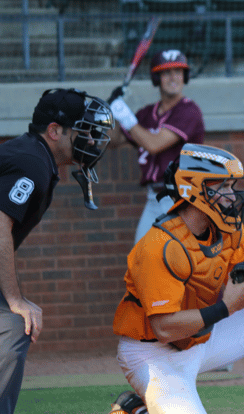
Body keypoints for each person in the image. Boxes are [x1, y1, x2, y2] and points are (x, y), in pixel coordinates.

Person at [109, 144, 244, 414]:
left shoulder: (228, 229)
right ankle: (134, 410)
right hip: (152, 353)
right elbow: (164, 328)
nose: (230, 195)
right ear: (194, 188)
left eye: (231, 186)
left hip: (200, 338)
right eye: (222, 187)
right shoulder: (159, 245)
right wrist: (225, 308)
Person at [1, 88, 113, 413]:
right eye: (84, 131)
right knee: (14, 324)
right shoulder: (33, 162)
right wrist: (14, 299)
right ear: (54, 131)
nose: (92, 140)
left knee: (12, 325)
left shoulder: (35, 156)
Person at [107, 49, 205, 242]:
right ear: (156, 78)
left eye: (178, 72)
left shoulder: (189, 110)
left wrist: (126, 116)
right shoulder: (146, 113)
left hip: (181, 199)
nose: (173, 77)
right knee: (140, 260)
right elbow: (112, 141)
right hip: (153, 198)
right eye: (166, 73)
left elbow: (154, 145)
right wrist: (112, 113)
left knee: (178, 264)